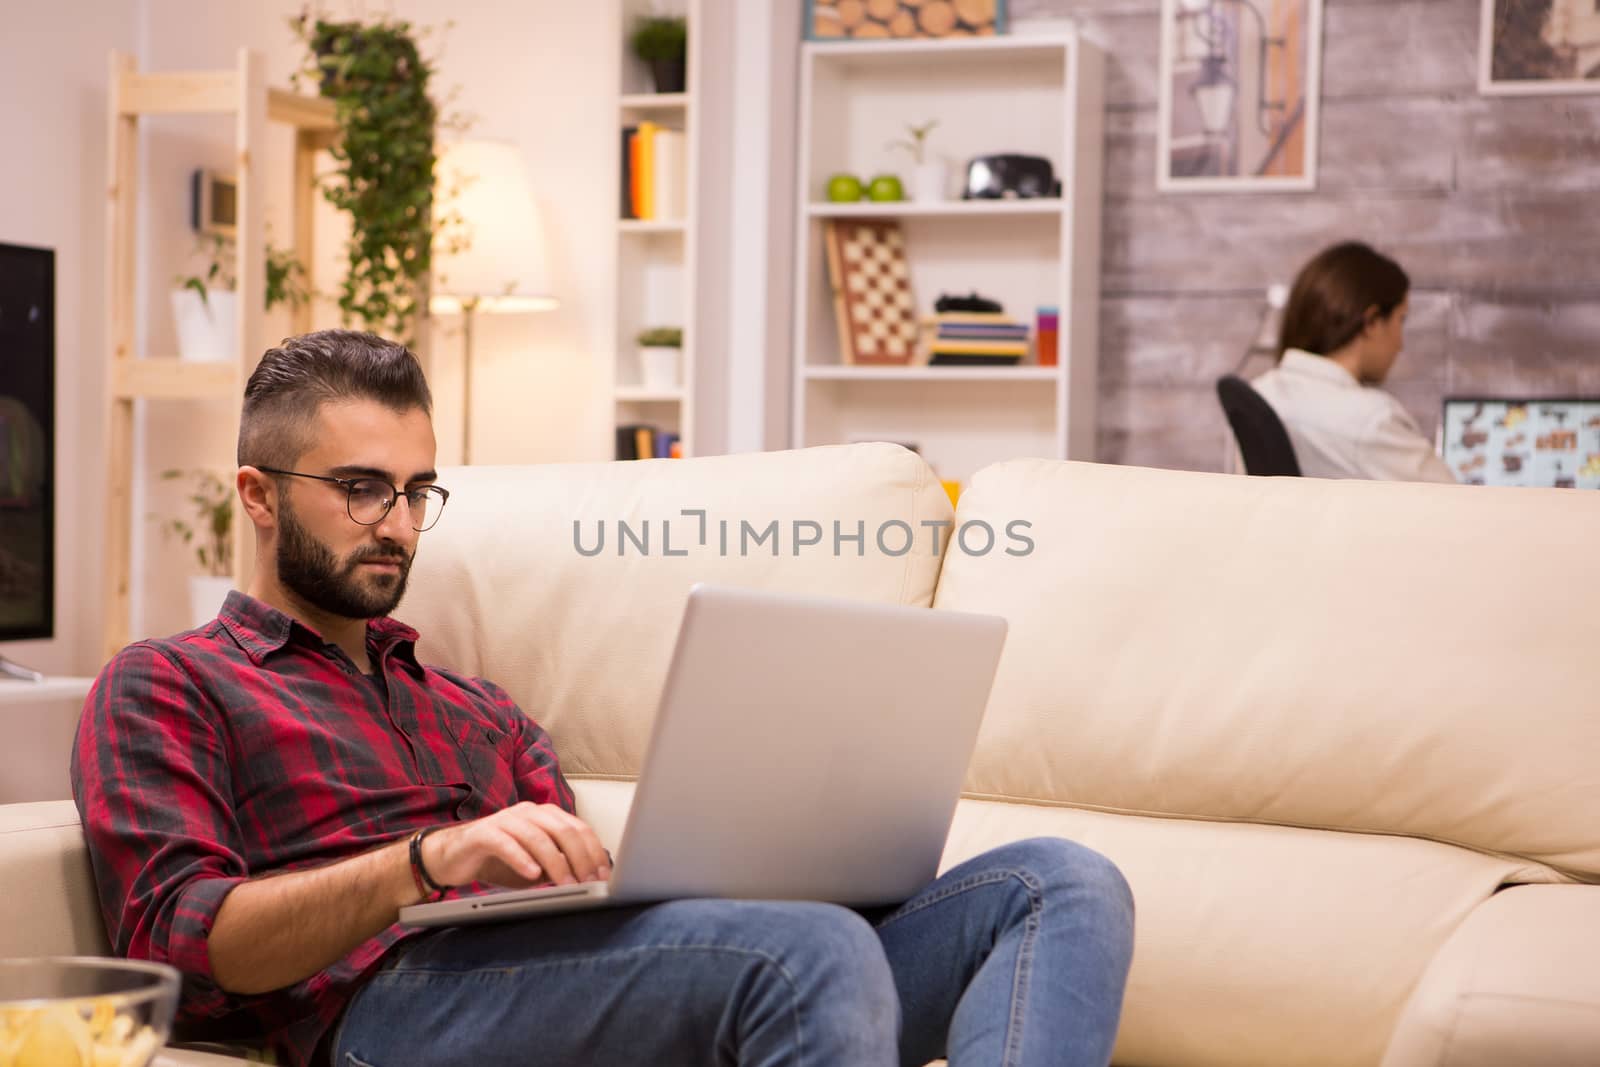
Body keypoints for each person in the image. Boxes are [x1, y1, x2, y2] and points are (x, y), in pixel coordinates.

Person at [73, 329, 1135, 1067]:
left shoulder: (475, 706)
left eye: (417, 490)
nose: (396, 521)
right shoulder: (170, 681)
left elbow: (606, 902)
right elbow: (176, 939)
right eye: (361, 487)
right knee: (806, 947)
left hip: (571, 979)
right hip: (384, 1009)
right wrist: (425, 862)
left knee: (1061, 882)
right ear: (258, 493)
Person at [1250, 241, 1457, 483]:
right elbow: (1457, 505)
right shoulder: (1374, 421)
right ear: (1371, 323)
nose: (1400, 343)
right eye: (1400, 321)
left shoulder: (1262, 391)